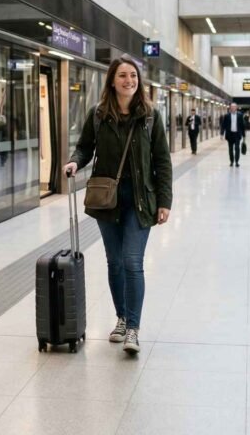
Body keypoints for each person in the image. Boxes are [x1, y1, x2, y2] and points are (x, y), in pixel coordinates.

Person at [64, 56, 172, 355]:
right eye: (123, 76)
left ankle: (134, 329)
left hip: (140, 201)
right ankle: (122, 318)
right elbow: (85, 146)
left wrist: (165, 201)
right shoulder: (99, 114)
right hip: (107, 200)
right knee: (114, 262)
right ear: (112, 80)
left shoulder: (150, 116)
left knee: (131, 262)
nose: (129, 81)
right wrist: (75, 161)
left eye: (133, 76)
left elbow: (162, 161)